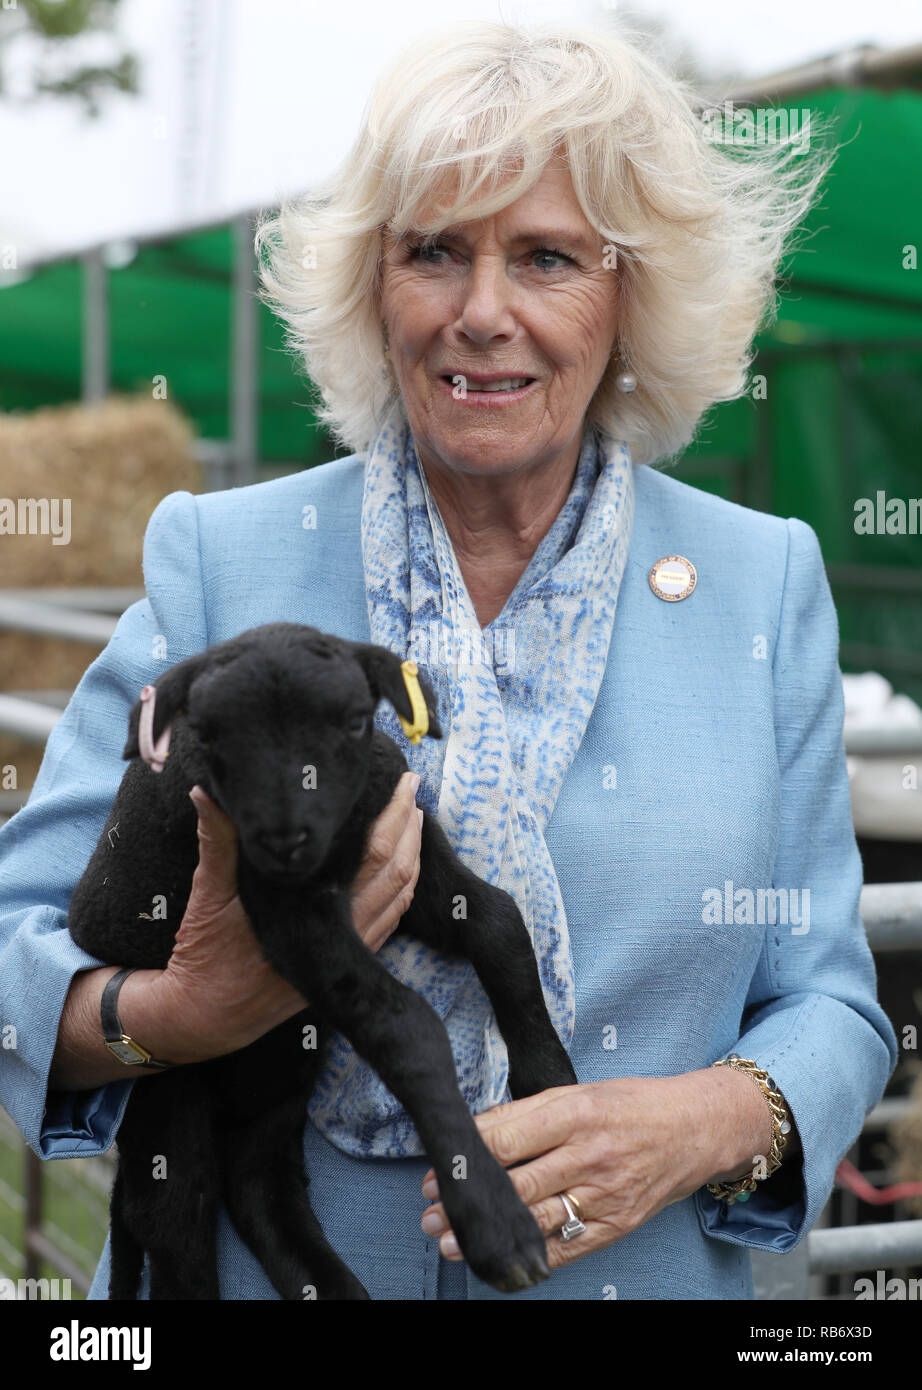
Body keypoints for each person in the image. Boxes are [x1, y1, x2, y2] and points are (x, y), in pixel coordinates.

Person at [0, 19, 897, 1301]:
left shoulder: (764, 583)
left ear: (632, 295)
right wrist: (176, 1015)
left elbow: (835, 1004)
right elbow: (12, 955)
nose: (485, 314)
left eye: (546, 256)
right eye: (435, 252)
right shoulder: (220, 557)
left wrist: (704, 1123)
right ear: (374, 285)